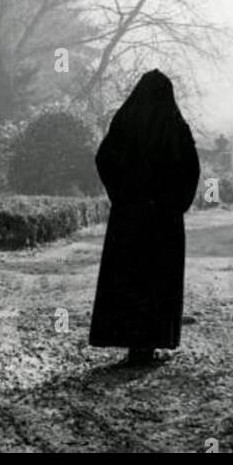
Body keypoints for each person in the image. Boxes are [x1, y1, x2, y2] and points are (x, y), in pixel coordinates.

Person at [89, 69, 200, 366]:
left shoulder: (125, 121)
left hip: (130, 217)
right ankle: (152, 341)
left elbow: (103, 158)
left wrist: (122, 194)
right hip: (163, 220)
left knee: (129, 277)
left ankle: (131, 341)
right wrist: (175, 203)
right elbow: (190, 169)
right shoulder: (175, 125)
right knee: (158, 278)